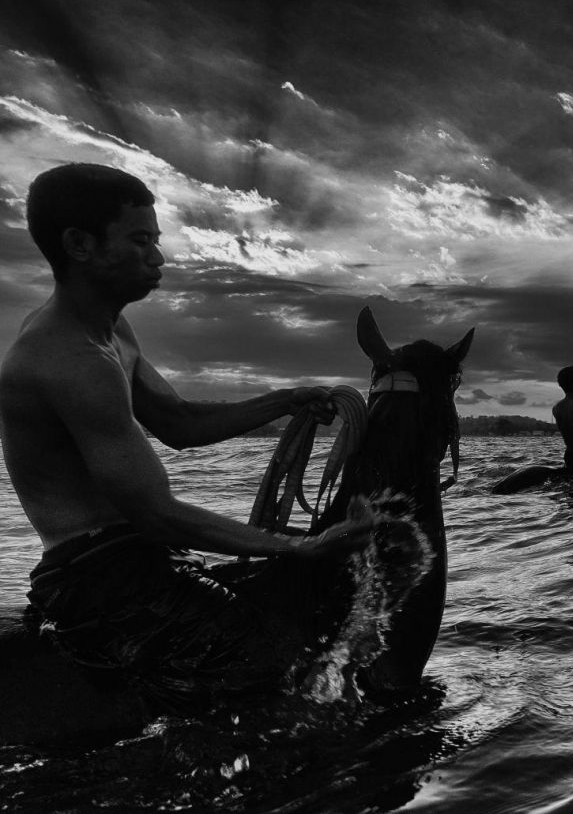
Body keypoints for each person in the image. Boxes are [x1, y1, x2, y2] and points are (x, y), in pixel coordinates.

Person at [0, 163, 376, 711]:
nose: (157, 257)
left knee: (306, 605)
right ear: (80, 244)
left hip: (140, 560)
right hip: (99, 578)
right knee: (278, 662)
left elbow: (178, 423)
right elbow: (155, 514)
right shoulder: (67, 359)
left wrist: (284, 400)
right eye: (140, 240)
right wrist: (298, 546)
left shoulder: (110, 332)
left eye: (156, 239)